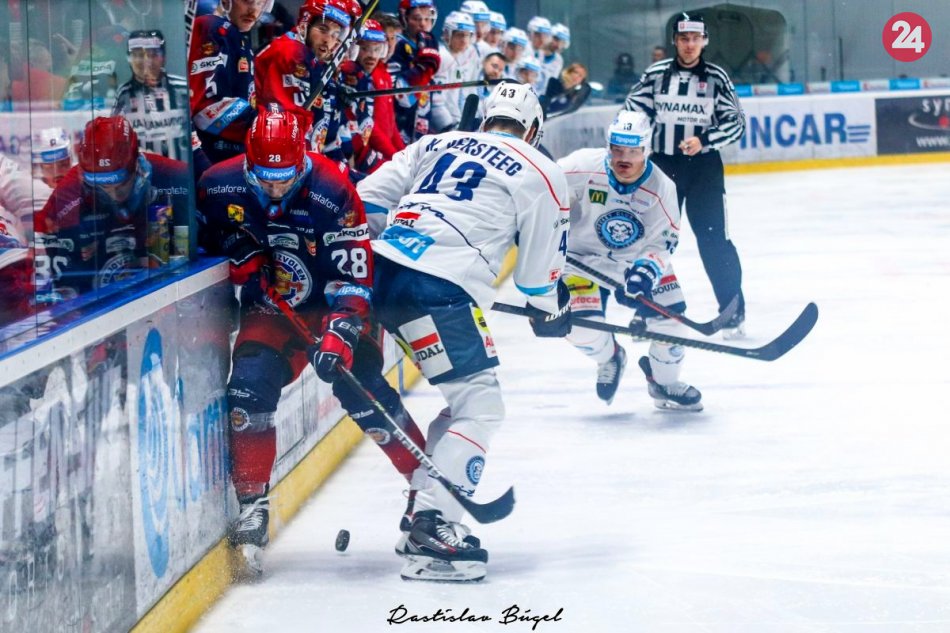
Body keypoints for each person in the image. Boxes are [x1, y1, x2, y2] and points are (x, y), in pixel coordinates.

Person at [196, 106, 429, 575]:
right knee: (247, 389)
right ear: (248, 163)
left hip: (334, 305)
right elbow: (193, 239)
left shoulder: (332, 190)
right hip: (272, 309)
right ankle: (253, 506)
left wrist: (341, 331)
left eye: (286, 178)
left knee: (363, 389)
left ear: (302, 159)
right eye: (266, 179)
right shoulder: (217, 185)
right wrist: (226, 248)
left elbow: (354, 278)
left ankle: (427, 493)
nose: (276, 189)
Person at [357, 81, 571, 582]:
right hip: (437, 289)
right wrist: (552, 309)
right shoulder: (540, 168)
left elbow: (364, 201)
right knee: (481, 405)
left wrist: (408, 240)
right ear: (533, 130)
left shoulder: (437, 142)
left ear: (487, 119)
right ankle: (432, 528)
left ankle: (423, 511)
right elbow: (536, 280)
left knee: (463, 404)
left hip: (381, 276)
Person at [557, 111, 702, 410]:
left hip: (635, 262)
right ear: (608, 147)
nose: (624, 158)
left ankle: (663, 383)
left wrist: (644, 274)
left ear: (646, 149)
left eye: (633, 151)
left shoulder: (661, 188)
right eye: (618, 150)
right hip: (580, 260)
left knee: (672, 325)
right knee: (579, 327)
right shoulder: (579, 166)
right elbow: (541, 190)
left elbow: (663, 241)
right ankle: (610, 357)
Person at [623, 13, 747, 337]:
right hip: (663, 168)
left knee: (714, 240)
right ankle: (645, 310)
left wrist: (704, 140)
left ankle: (733, 311)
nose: (690, 45)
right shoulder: (655, 74)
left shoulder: (717, 77)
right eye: (683, 39)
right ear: (674, 41)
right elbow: (632, 113)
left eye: (695, 39)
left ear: (704, 41)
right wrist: (637, 145)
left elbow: (736, 122)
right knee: (651, 238)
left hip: (705, 169)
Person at [33, 116, 189, 304]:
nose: (113, 195)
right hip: (101, 296)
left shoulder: (174, 175)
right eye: (101, 188)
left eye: (121, 186)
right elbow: (46, 259)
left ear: (137, 165)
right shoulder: (68, 193)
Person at [189, 0, 268, 164]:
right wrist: (262, 123)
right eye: (247, 1)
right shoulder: (212, 27)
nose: (253, 10)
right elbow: (205, 107)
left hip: (232, 153)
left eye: (260, 3)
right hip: (211, 154)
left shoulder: (237, 35)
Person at [113, 30, 191, 161]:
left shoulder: (182, 88)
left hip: (179, 169)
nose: (147, 62)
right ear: (129, 59)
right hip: (142, 170)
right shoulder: (123, 94)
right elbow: (116, 137)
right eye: (138, 55)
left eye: (153, 55)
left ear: (164, 58)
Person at [387, 0, 441, 143]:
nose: (423, 24)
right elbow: (398, 95)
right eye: (417, 19)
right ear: (404, 17)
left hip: (421, 120)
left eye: (427, 18)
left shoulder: (431, 41)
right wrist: (421, 70)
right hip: (398, 122)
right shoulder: (396, 44)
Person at [430, 11, 479, 133]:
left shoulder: (468, 56)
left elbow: (470, 92)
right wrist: (449, 127)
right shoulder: (442, 56)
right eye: (459, 35)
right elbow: (436, 101)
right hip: (444, 129)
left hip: (461, 125)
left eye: (467, 35)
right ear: (447, 34)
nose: (464, 40)